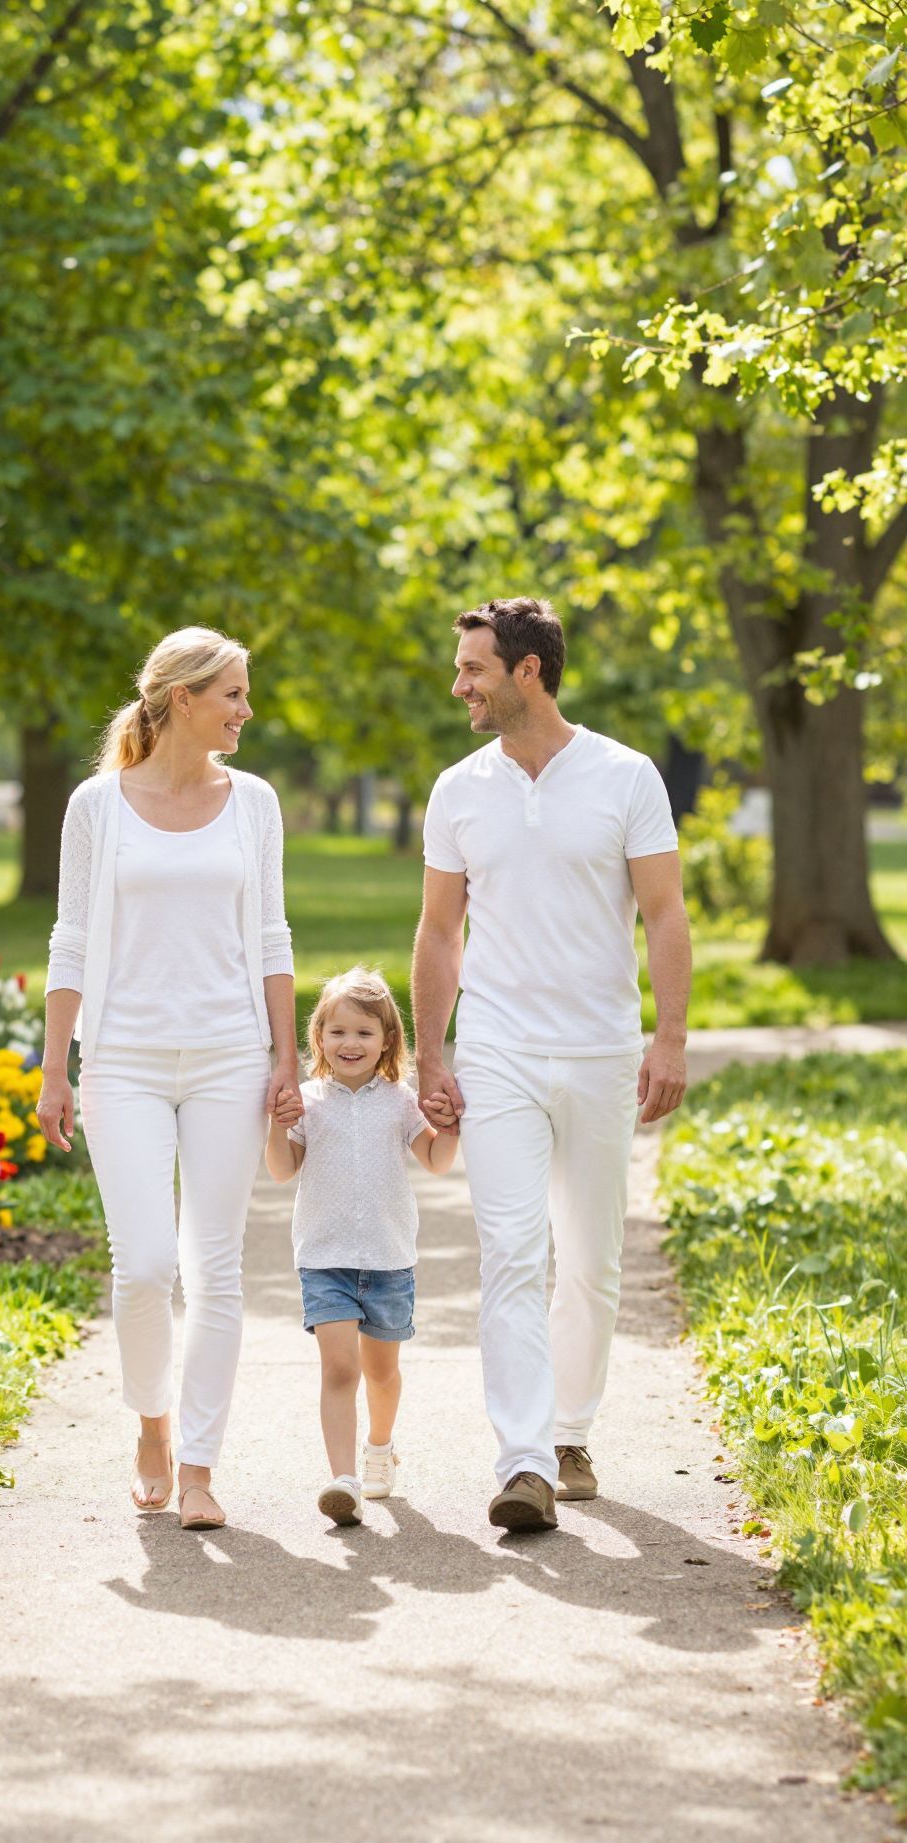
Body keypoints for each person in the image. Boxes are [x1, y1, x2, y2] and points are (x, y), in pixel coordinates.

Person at [412, 597, 691, 1534]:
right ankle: (525, 1460)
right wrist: (431, 1055)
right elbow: (439, 933)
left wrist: (671, 1038)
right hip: (497, 1051)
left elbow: (664, 915)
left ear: (527, 670)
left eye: (474, 670)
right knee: (511, 1253)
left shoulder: (625, 777)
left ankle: (572, 1430)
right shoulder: (458, 790)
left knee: (592, 1259)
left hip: (604, 1048)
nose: (460, 686)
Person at [37, 626, 298, 1532]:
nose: (246, 710)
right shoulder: (96, 807)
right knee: (146, 1265)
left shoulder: (254, 802)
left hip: (229, 1056)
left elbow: (271, 935)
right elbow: (69, 938)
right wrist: (54, 1069)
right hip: (125, 1060)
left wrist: (285, 1059)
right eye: (233, 693)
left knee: (214, 1270)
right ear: (182, 699)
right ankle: (150, 1421)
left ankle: (197, 1466)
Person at [266, 967, 459, 1526]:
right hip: (324, 1258)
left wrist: (448, 1125)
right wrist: (277, 1125)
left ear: (388, 1041)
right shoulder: (307, 1101)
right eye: (338, 1032)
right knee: (340, 1369)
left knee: (381, 1373)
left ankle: (379, 1447)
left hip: (388, 1259)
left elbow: (437, 1162)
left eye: (364, 1033)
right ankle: (343, 1479)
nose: (350, 1043)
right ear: (319, 1038)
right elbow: (282, 1170)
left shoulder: (401, 1101)